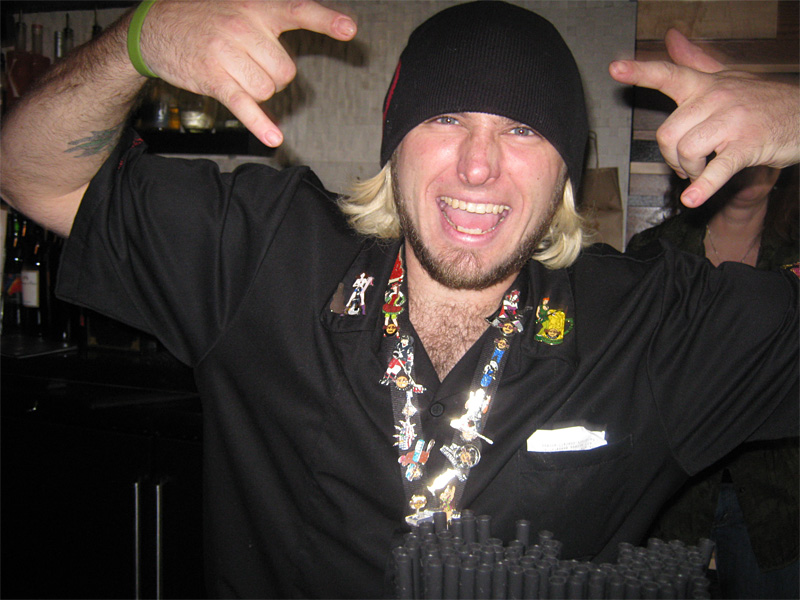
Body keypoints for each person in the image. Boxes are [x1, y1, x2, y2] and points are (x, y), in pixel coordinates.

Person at [1, 1, 797, 597]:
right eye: (446, 117)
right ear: (393, 148)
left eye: (523, 130)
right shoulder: (265, 254)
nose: (478, 165)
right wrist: (138, 40)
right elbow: (29, 174)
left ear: (566, 171)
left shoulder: (650, 324)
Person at [627, 165, 799, 598]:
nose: (749, 169)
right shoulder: (654, 249)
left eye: (760, 156)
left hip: (780, 499)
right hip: (674, 497)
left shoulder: (795, 251)